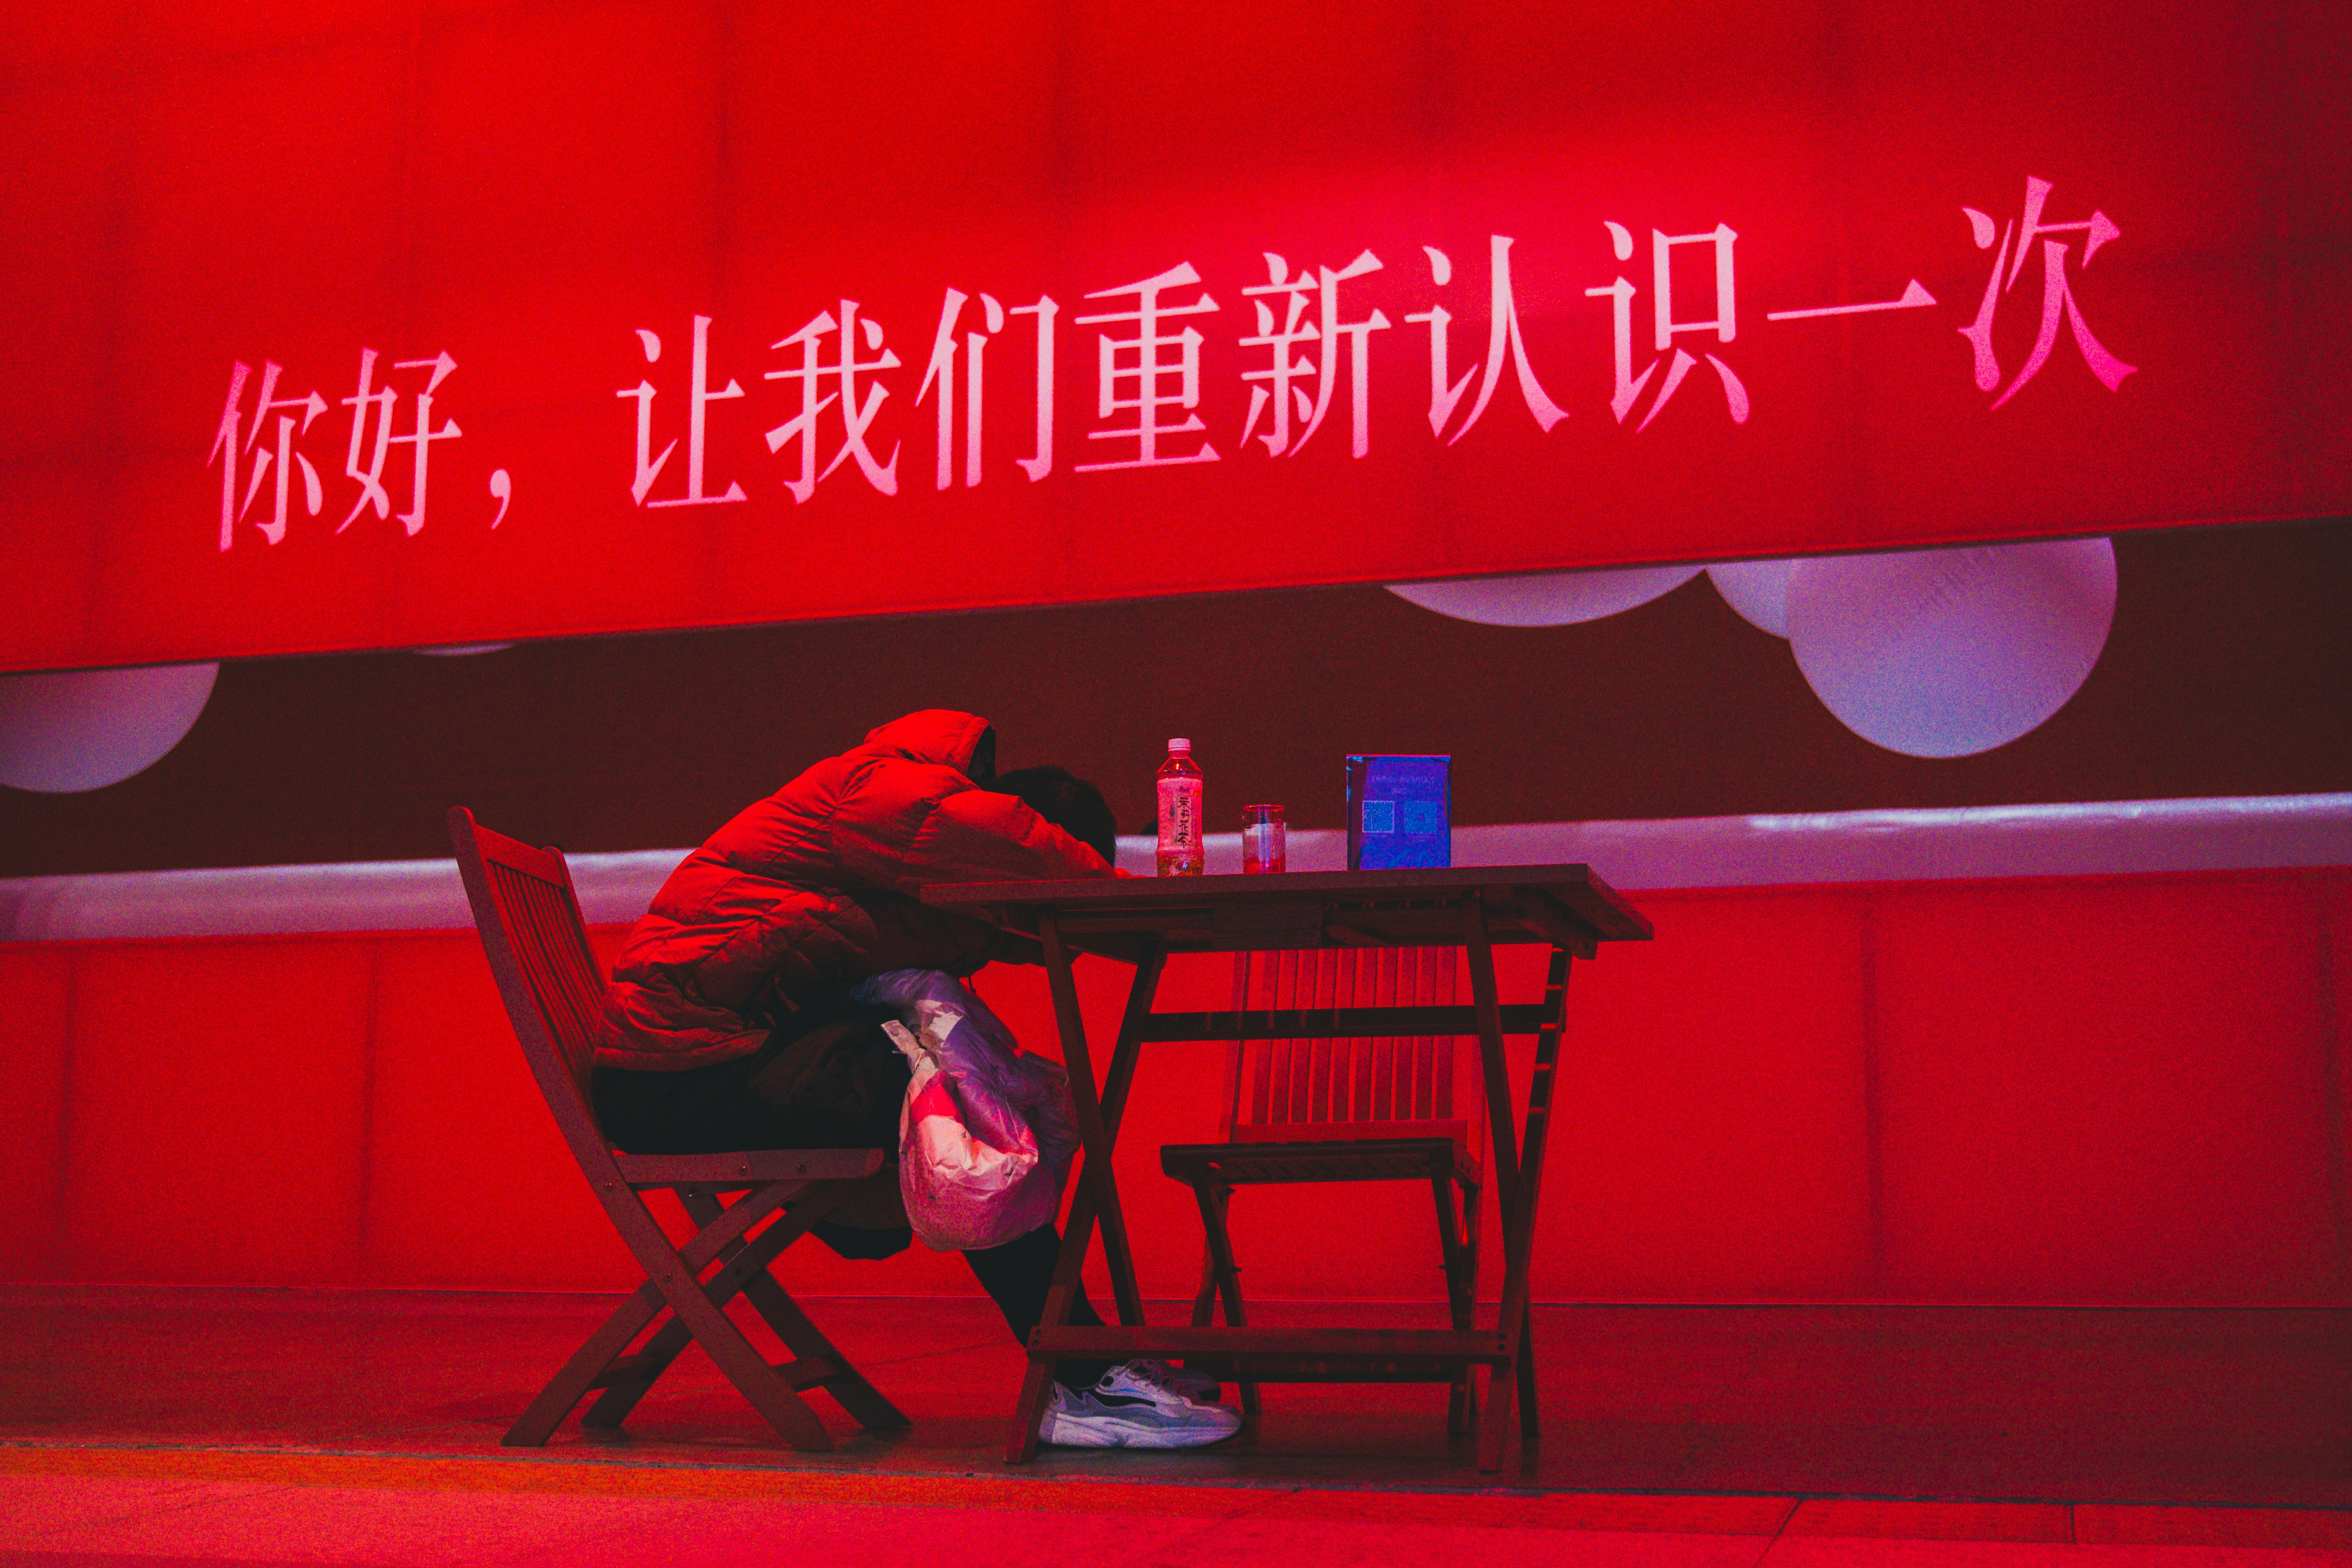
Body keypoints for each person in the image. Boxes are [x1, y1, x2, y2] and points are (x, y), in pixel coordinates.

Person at [592, 709, 1238, 1448]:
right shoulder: (891, 792)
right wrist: (1123, 900)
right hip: (676, 1081)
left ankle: (1089, 1358)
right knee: (966, 1115)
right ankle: (1083, 1377)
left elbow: (923, 925)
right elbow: (1020, 853)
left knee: (956, 1079)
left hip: (702, 1062)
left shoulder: (884, 809)